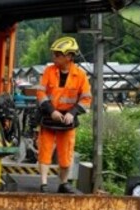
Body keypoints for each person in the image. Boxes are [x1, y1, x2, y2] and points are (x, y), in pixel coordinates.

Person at [35, 36, 92, 194]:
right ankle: (44, 184)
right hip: (48, 116)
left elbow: (86, 98)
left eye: (57, 55)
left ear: (69, 56)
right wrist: (51, 110)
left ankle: (64, 183)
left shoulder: (80, 76)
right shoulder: (49, 71)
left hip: (67, 119)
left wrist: (73, 113)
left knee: (66, 154)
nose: (54, 57)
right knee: (45, 150)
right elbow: (40, 92)